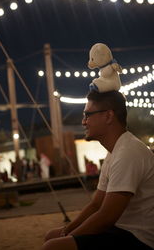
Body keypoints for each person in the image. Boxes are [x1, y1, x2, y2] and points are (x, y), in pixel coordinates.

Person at [41, 90, 154, 250]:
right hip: (120, 229)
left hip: (139, 238)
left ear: (108, 116)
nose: (83, 122)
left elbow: (107, 216)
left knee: (52, 246)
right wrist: (67, 231)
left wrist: (71, 237)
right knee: (52, 236)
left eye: (87, 115)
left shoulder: (128, 152)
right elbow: (96, 205)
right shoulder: (114, 151)